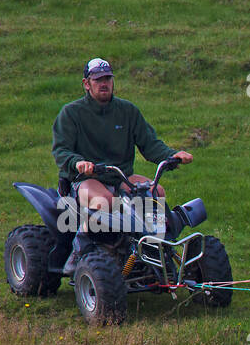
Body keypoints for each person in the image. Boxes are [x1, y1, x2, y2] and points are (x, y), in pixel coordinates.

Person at [51, 58, 193, 273]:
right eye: (98, 80)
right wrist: (78, 163)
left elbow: (150, 144)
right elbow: (61, 150)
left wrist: (173, 156)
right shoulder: (71, 113)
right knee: (107, 202)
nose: (104, 83)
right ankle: (80, 249)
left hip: (121, 177)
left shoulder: (127, 111)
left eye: (107, 78)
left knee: (156, 192)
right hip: (86, 180)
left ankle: (155, 249)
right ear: (86, 83)